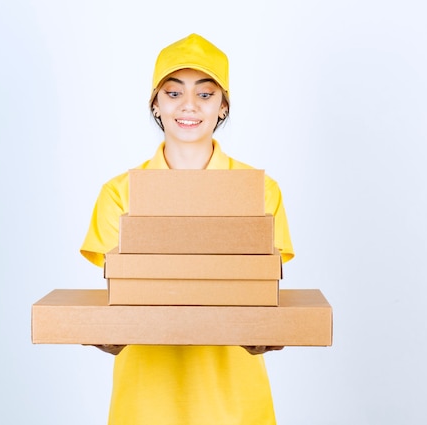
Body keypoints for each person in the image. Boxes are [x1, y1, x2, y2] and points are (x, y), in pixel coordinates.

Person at [80, 33, 294, 425]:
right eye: (174, 93)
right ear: (156, 105)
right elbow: (123, 300)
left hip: (233, 399)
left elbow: (265, 295)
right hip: (145, 400)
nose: (189, 106)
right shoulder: (119, 194)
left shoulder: (260, 191)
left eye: (206, 94)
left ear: (223, 107)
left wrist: (270, 328)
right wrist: (105, 328)